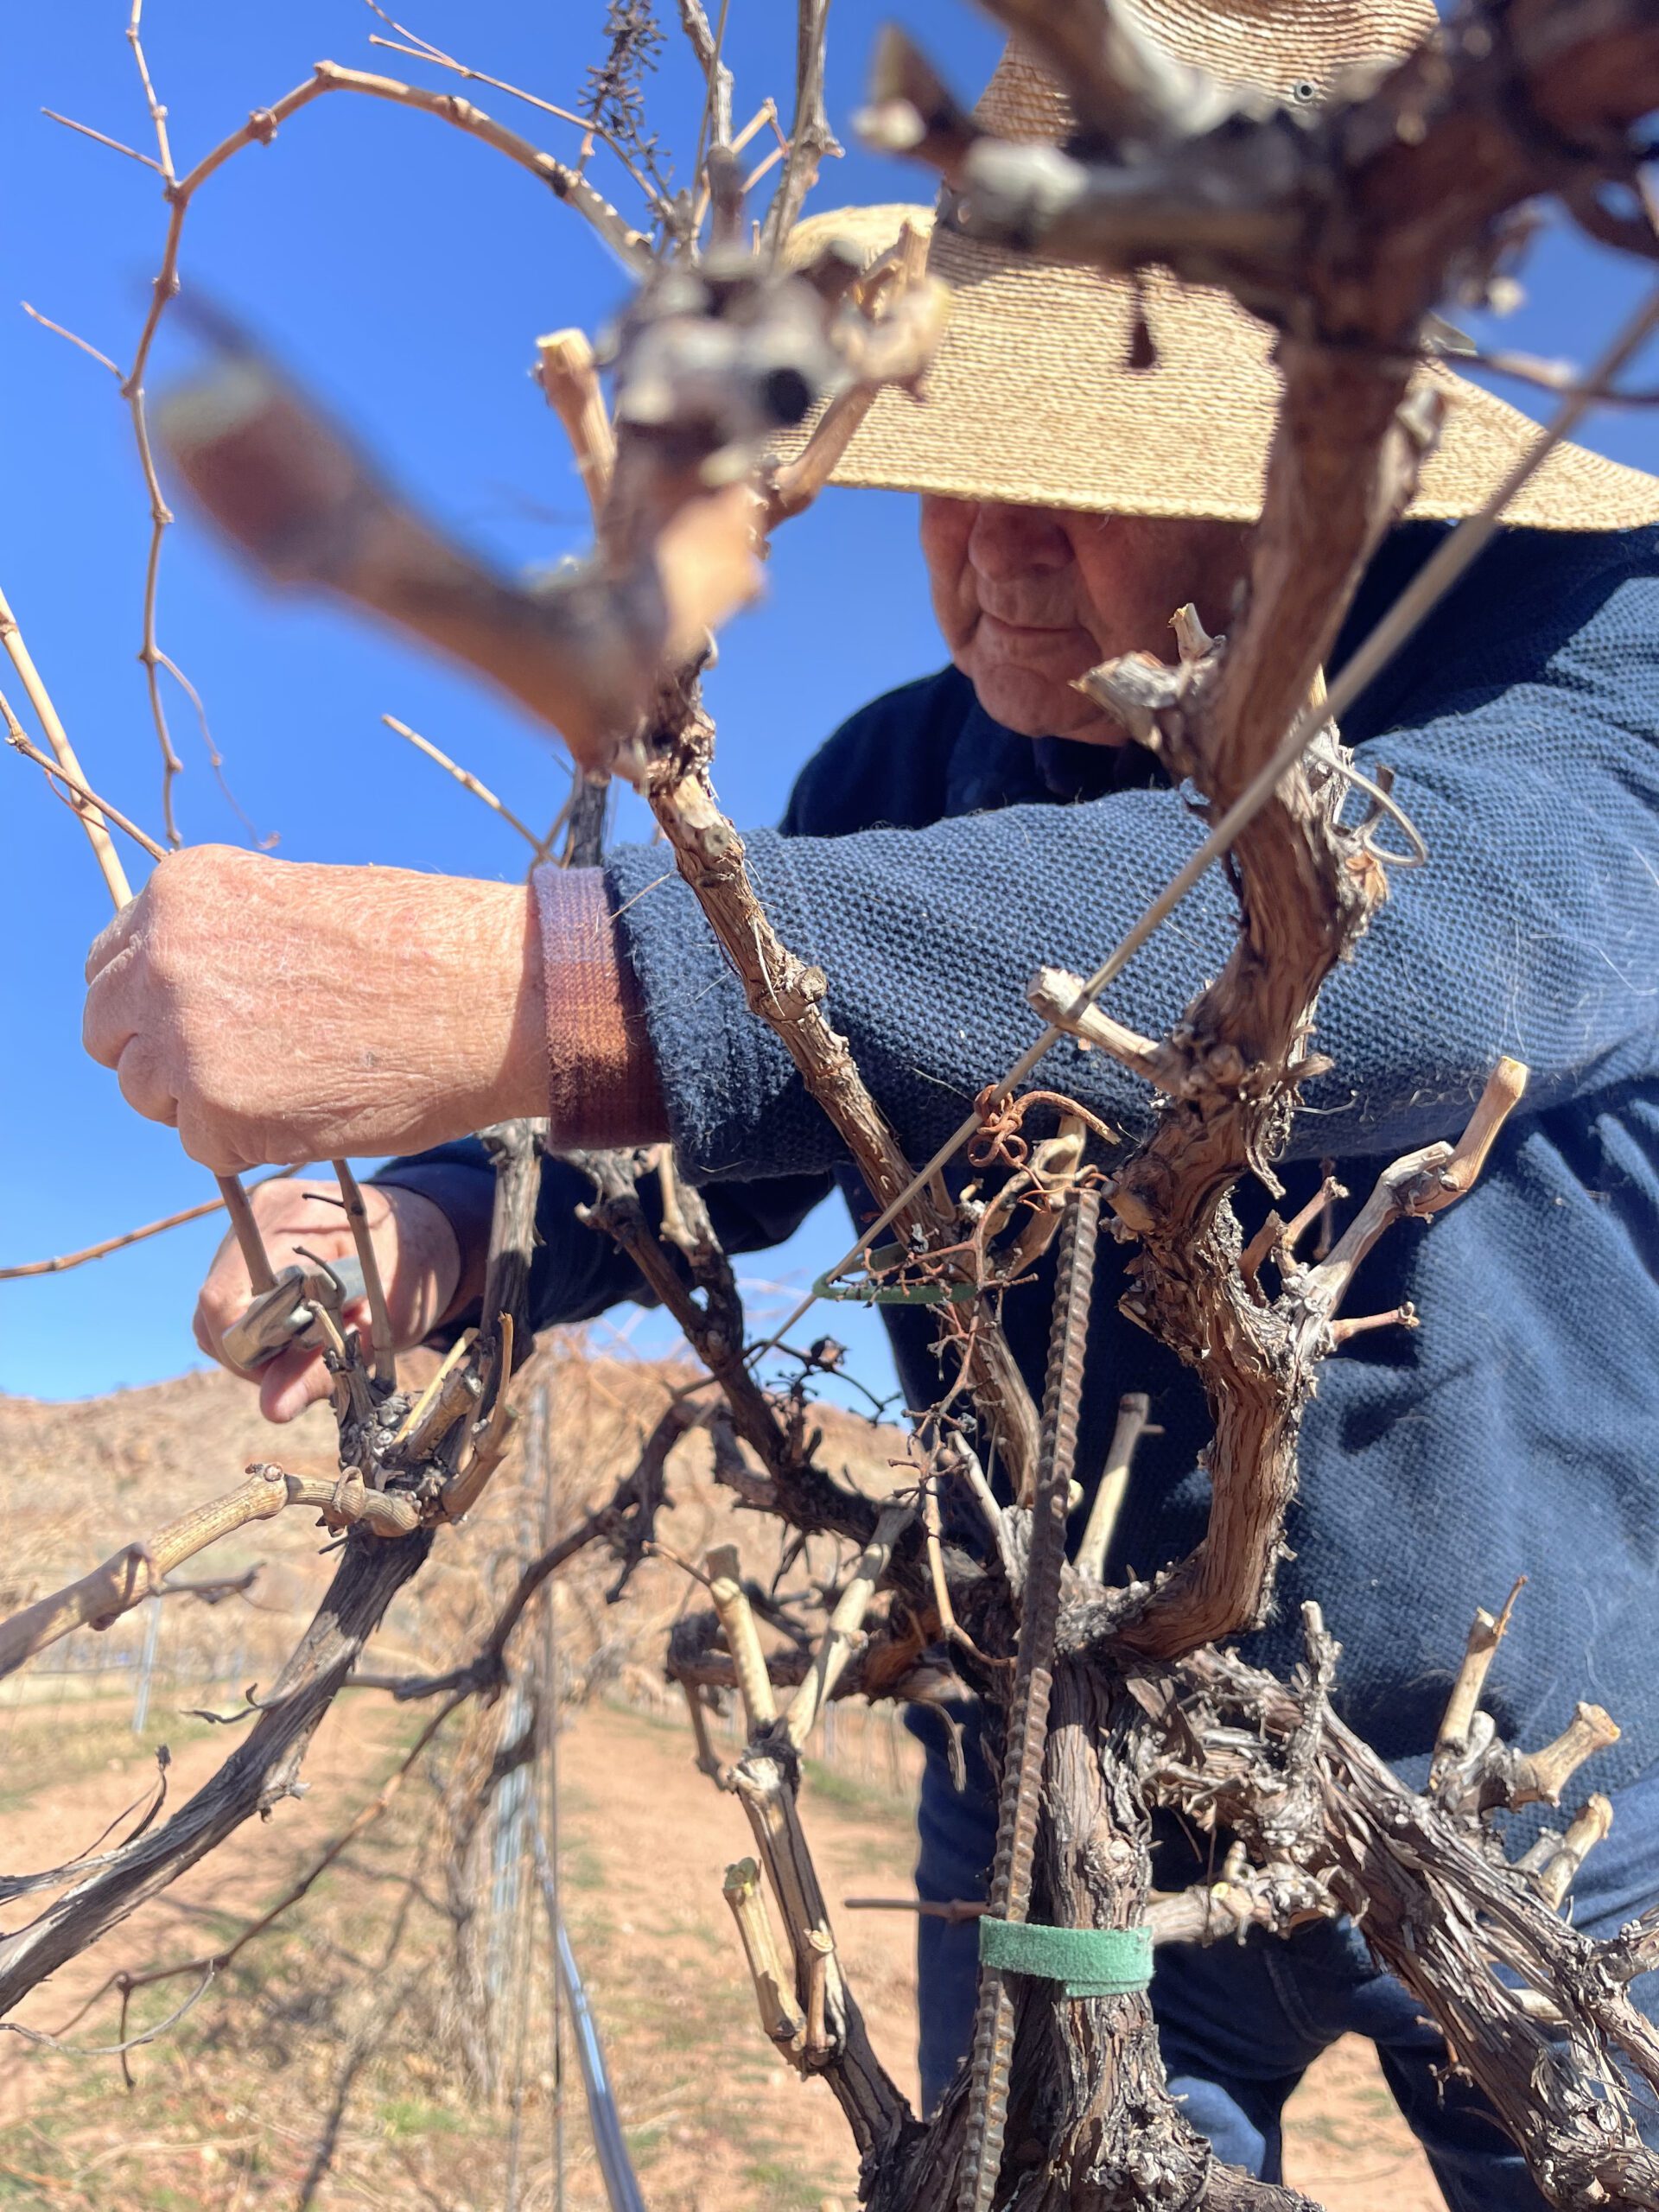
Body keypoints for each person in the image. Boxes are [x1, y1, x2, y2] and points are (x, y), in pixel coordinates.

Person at [79, 8, 1659, 2205]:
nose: (992, 545)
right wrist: (444, 1222)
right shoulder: (887, 786)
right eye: (952, 453)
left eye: (1083, 463)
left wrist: (520, 975)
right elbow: (722, 1136)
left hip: (1556, 1796)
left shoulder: (1590, 646)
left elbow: (1420, 950)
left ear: (1331, 448)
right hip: (1064, 1745)